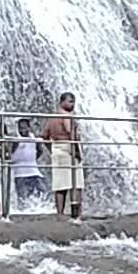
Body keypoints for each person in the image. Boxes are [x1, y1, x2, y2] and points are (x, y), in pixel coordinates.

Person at [42, 91, 84, 219]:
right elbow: (71, 134)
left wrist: (51, 149)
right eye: (70, 101)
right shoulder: (67, 116)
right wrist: (76, 151)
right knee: (76, 183)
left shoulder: (52, 117)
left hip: (56, 148)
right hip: (68, 148)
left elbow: (44, 135)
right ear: (62, 102)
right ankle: (76, 214)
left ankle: (59, 214)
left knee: (59, 184)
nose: (73, 105)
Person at [8, 117, 46, 215]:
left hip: (33, 171)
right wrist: (12, 160)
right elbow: (5, 153)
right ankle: (22, 213)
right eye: (21, 128)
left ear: (29, 127)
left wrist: (32, 159)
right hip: (20, 173)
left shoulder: (33, 138)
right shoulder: (16, 139)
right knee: (22, 196)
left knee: (42, 191)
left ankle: (38, 209)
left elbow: (40, 151)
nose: (23, 130)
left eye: (25, 128)